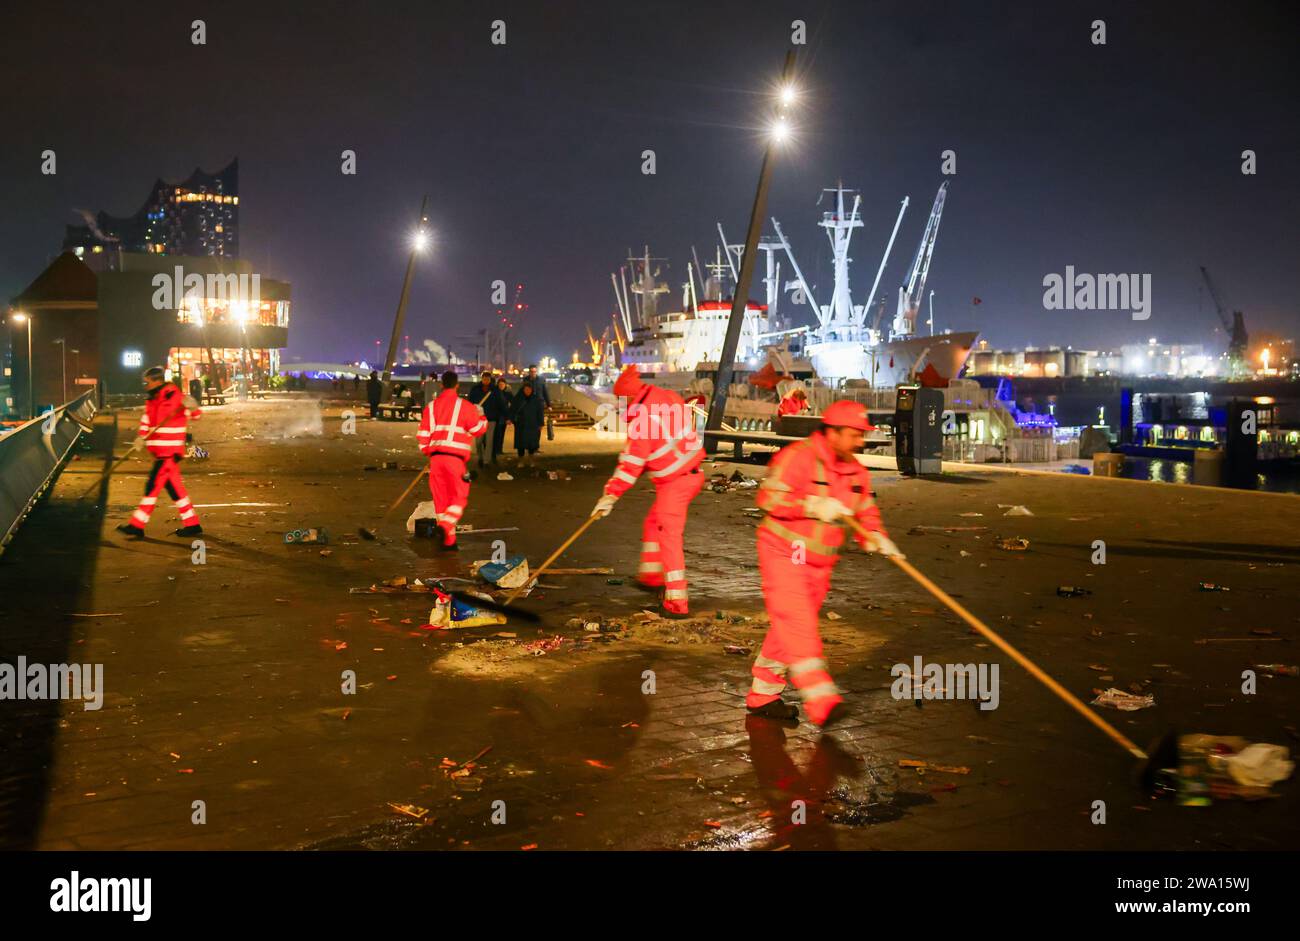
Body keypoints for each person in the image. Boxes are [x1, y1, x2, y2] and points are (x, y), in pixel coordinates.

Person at [745, 400, 901, 728]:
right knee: (799, 624)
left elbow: (865, 512)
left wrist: (876, 536)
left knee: (786, 628)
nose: (860, 441)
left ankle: (763, 695)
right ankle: (821, 700)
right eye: (855, 434)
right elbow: (768, 497)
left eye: (862, 435)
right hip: (785, 551)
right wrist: (811, 504)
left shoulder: (856, 472)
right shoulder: (799, 457)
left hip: (818, 563)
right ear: (832, 433)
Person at [591, 365, 704, 618]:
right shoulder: (668, 398)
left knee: (668, 536)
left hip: (676, 482)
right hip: (689, 473)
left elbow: (629, 466)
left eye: (621, 400)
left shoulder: (643, 422)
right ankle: (652, 577)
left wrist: (610, 495)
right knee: (653, 523)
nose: (620, 407)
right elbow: (667, 441)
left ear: (630, 397)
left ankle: (677, 603)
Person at [115, 366, 204, 539]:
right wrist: (141, 438)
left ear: (157, 380)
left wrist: (192, 406)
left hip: (169, 453)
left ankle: (137, 525)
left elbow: (197, 415)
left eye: (146, 382)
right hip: (160, 452)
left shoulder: (176, 397)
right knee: (176, 490)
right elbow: (146, 422)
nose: (145, 385)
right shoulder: (152, 400)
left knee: (152, 487)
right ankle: (192, 524)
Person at [416, 370, 487, 550]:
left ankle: (449, 541)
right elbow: (478, 429)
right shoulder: (466, 406)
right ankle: (446, 527)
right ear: (457, 385)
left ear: (441, 385)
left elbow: (423, 434)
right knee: (458, 497)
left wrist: (428, 452)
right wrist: (481, 415)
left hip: (436, 459)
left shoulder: (431, 407)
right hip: (455, 460)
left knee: (441, 500)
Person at [466, 370, 505, 466]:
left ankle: (486, 460)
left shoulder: (495, 390)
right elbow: (470, 403)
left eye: (488, 379)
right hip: (478, 419)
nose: (486, 381)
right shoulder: (475, 389)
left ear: (490, 380)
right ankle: (480, 457)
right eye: (484, 379)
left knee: (489, 441)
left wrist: (502, 415)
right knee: (478, 441)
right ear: (482, 379)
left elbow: (501, 404)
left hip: (491, 419)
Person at [509, 380, 546, 466]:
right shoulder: (518, 398)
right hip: (520, 424)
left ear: (532, 390)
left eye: (529, 389)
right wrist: (510, 419)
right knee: (520, 443)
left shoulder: (536, 399)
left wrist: (541, 423)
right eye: (526, 389)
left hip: (533, 424)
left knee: (532, 443)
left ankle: (531, 460)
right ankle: (520, 460)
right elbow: (512, 410)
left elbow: (540, 411)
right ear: (523, 389)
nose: (527, 391)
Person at [493, 377, 513, 459]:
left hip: (504, 416)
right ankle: (496, 450)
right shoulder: (495, 393)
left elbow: (514, 402)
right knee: (497, 434)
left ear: (505, 385)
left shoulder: (508, 394)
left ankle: (500, 449)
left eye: (503, 384)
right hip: (496, 416)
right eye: (500, 384)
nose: (501, 385)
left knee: (502, 434)